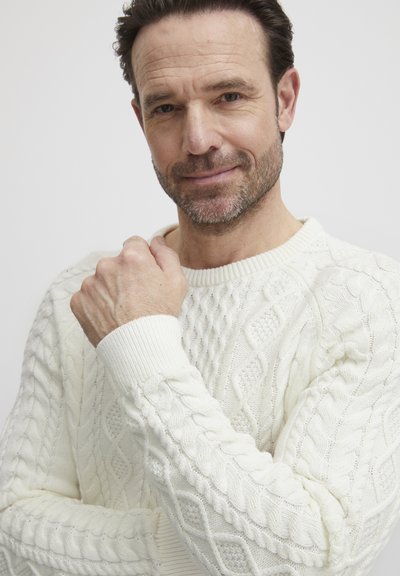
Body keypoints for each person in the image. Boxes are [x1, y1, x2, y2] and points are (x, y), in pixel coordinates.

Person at [1, 0, 399, 574]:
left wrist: (140, 345)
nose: (197, 139)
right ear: (140, 120)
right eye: (166, 107)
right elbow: (12, 533)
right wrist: (203, 553)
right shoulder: (85, 295)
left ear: (285, 100)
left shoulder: (367, 302)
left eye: (228, 96)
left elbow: (304, 562)